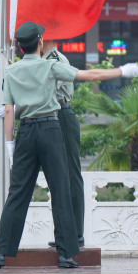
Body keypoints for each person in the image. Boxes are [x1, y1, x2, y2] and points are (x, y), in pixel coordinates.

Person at [0, 22, 138, 269]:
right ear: (40, 42)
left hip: (26, 131)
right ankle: (65, 254)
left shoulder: (12, 71)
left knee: (17, 193)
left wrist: (10, 146)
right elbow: (89, 76)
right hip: (50, 129)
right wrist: (122, 71)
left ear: (19, 46)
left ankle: (0, 253)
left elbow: (8, 110)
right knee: (60, 190)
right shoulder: (50, 65)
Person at [41, 39, 85, 248]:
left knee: (70, 175)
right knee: (59, 177)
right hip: (52, 116)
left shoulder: (55, 60)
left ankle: (75, 232)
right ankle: (66, 231)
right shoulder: (45, 59)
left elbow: (48, 91)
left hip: (61, 115)